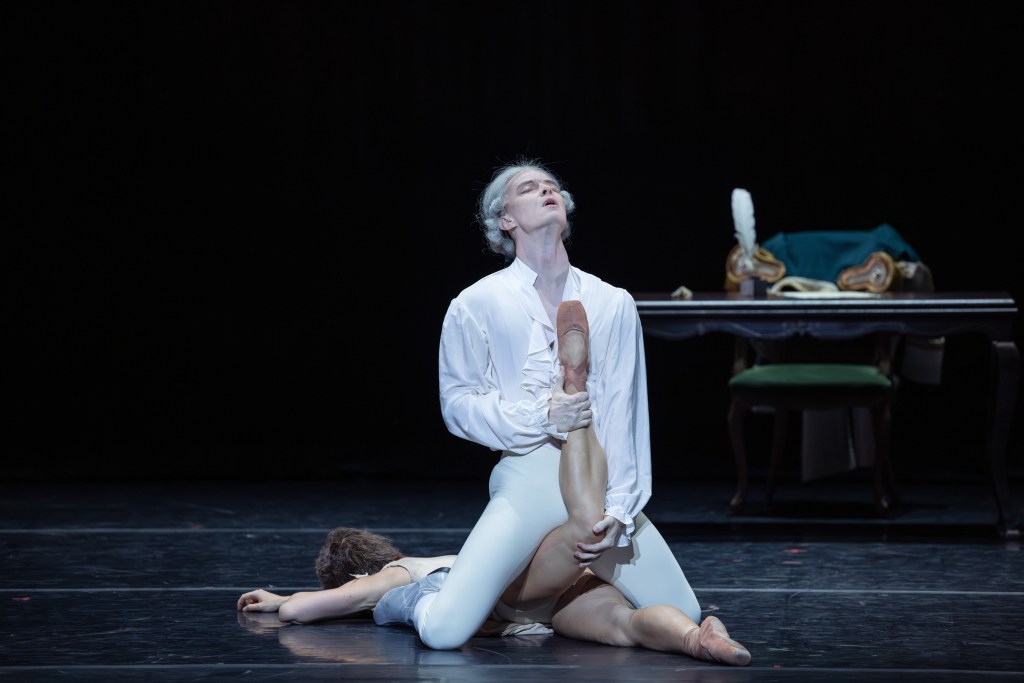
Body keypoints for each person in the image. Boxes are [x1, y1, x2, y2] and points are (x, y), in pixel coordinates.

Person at [370, 159, 713, 651]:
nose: (547, 192)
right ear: (505, 220)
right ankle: (411, 596)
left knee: (685, 614)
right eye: (529, 189)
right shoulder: (477, 302)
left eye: (552, 187)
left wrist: (621, 506)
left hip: (597, 475)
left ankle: (559, 600)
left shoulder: (611, 301)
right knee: (445, 632)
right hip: (528, 470)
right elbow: (458, 405)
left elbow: (626, 412)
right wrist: (539, 417)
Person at [236, 525, 752, 666]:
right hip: (547, 604)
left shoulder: (398, 573)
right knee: (624, 625)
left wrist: (283, 602)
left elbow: (320, 606)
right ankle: (695, 636)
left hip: (514, 591)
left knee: (579, 544)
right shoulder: (431, 558)